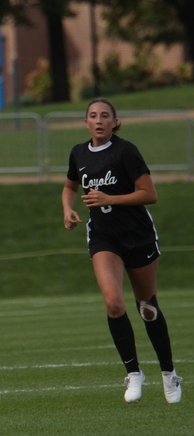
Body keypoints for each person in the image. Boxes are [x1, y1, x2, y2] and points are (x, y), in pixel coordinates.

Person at [62, 98, 182, 404]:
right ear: (85, 122)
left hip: (137, 236)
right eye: (93, 116)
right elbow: (70, 186)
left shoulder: (125, 151)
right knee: (114, 304)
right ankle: (133, 373)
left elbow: (149, 194)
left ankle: (169, 373)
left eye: (105, 116)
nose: (99, 120)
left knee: (147, 308)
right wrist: (67, 209)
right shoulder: (78, 153)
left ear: (115, 122)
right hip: (104, 238)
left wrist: (110, 199)